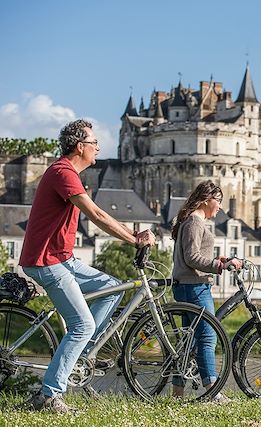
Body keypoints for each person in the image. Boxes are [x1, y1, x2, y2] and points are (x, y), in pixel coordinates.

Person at [18, 119, 156, 412]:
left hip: (62, 258)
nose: (98, 148)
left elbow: (98, 212)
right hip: (47, 261)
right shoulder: (62, 172)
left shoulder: (69, 174)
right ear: (80, 146)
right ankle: (50, 396)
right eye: (94, 143)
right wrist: (133, 237)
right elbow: (95, 214)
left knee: (111, 288)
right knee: (82, 324)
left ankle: (81, 353)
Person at [170, 180, 241, 402]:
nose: (219, 207)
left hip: (188, 285)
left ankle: (177, 393)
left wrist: (215, 260)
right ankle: (212, 390)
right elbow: (191, 257)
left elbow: (193, 255)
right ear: (206, 200)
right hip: (195, 287)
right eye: (217, 201)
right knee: (208, 338)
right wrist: (218, 266)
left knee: (188, 342)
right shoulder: (194, 222)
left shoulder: (192, 221)